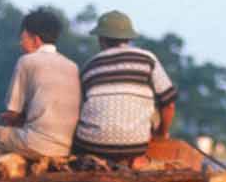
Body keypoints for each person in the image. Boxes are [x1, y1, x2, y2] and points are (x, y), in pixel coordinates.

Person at [0, 8, 81, 178]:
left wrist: (13, 117)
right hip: (66, 146)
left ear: (35, 39)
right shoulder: (72, 66)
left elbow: (13, 112)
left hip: (37, 143)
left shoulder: (26, 61)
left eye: (23, 38)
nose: (21, 43)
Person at [72, 10, 177, 162]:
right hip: (135, 146)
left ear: (101, 39)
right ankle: (136, 161)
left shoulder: (89, 67)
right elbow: (169, 105)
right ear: (128, 37)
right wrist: (162, 134)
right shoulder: (147, 59)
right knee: (152, 112)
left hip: (90, 146)